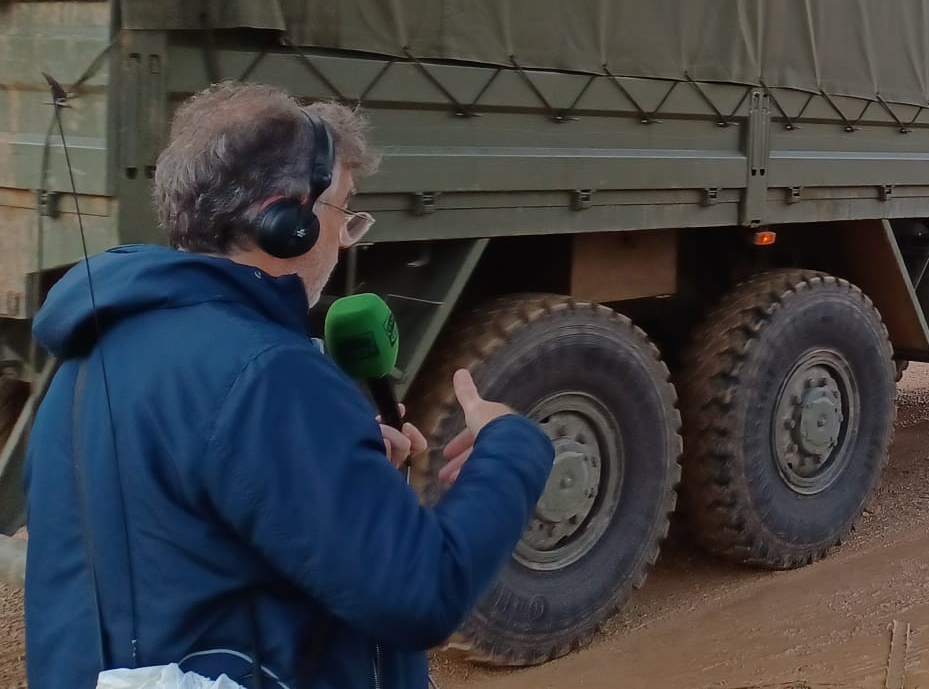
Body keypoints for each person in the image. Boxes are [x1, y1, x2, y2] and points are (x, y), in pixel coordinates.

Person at [25, 82, 556, 689]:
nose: (347, 237)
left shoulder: (90, 357)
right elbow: (421, 593)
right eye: (344, 212)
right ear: (286, 221)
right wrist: (511, 451)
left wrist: (333, 464)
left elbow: (174, 533)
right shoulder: (266, 371)